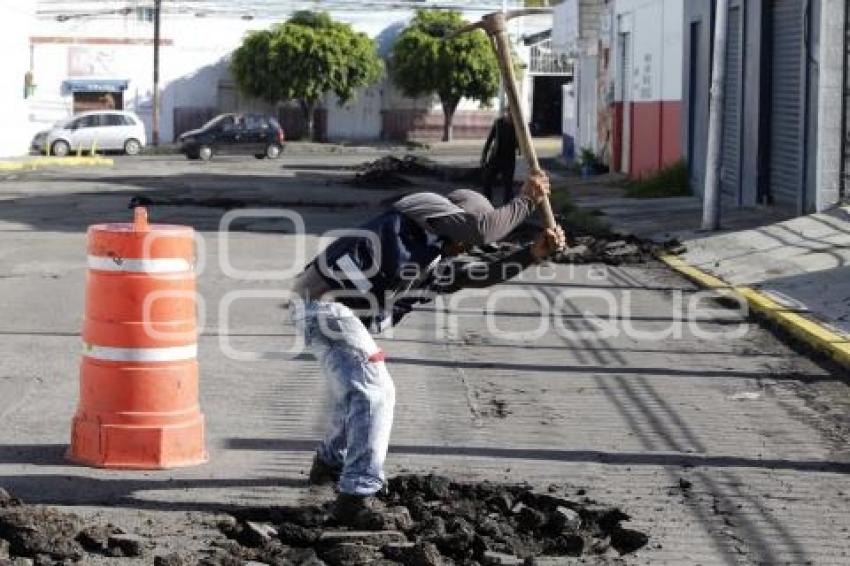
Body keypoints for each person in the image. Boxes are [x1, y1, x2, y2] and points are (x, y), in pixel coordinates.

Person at [289, 172, 565, 527]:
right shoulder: (421, 209)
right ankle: (356, 496)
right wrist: (526, 199)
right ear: (456, 219)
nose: (466, 248)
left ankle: (330, 464)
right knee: (377, 392)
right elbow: (483, 229)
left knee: (357, 393)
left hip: (335, 314)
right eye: (464, 238)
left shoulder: (434, 262)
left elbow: (480, 273)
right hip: (324, 304)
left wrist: (532, 254)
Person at [481, 108, 520, 205]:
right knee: (487, 180)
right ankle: (487, 203)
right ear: (507, 112)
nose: (510, 115)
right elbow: (490, 139)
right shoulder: (498, 123)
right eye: (509, 112)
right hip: (495, 157)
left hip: (509, 159)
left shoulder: (518, 125)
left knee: (508, 185)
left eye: (513, 113)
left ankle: (507, 207)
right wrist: (484, 156)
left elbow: (523, 141)